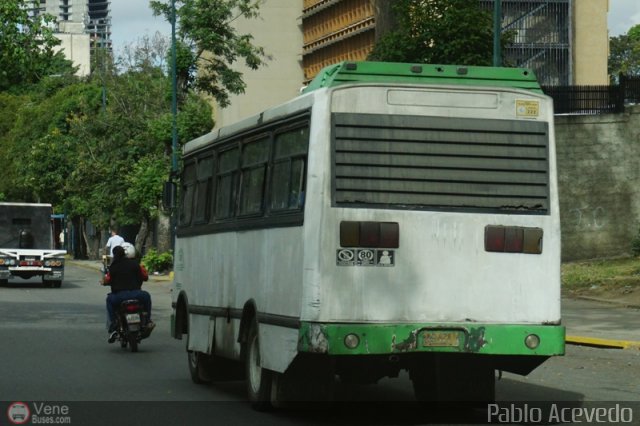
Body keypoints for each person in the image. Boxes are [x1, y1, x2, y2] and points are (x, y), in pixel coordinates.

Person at [102, 245, 154, 342]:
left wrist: (104, 282)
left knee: (109, 300)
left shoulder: (113, 267)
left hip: (119, 297)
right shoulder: (135, 264)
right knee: (147, 296)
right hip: (137, 294)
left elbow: (107, 280)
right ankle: (147, 320)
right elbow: (144, 276)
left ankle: (113, 325)